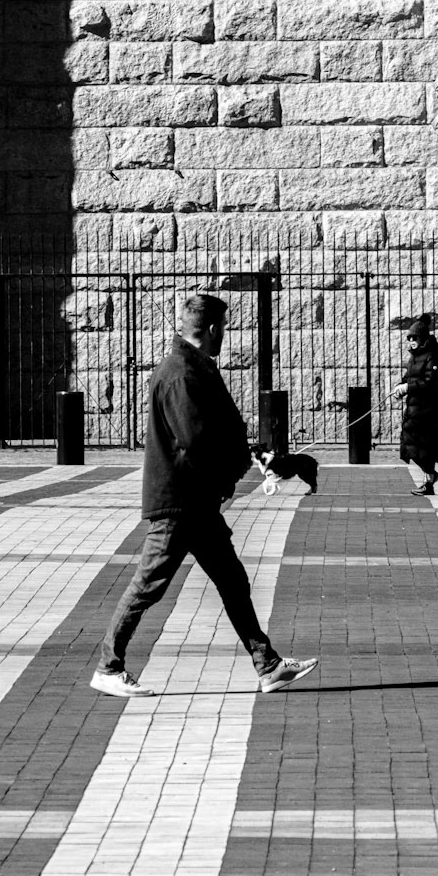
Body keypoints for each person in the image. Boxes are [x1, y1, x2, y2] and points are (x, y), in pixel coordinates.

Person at [90, 290, 319, 698]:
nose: (224, 335)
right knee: (148, 585)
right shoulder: (181, 372)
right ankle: (109, 666)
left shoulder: (195, 367)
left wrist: (250, 456)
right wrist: (231, 474)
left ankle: (267, 664)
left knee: (232, 580)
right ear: (212, 329)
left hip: (196, 502)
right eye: (224, 328)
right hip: (181, 501)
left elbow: (216, 432)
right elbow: (196, 440)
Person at [395, 318, 438, 494]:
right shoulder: (413, 358)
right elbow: (409, 377)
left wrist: (408, 387)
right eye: (409, 338)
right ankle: (430, 477)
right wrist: (400, 388)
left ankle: (429, 481)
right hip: (414, 409)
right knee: (408, 446)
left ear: (422, 338)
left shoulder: (432, 355)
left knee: (424, 449)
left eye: (414, 338)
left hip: (428, 411)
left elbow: (431, 382)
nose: (411, 341)